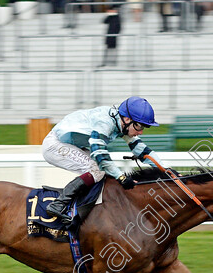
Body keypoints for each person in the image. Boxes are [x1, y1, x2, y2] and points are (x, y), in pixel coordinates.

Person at [42, 96, 163, 225]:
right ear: (127, 119)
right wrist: (121, 177)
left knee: (102, 171)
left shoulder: (120, 122)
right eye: (139, 126)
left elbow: (141, 149)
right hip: (54, 145)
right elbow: (99, 154)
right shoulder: (105, 122)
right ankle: (58, 205)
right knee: (97, 170)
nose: (141, 132)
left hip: (70, 144)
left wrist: (165, 169)